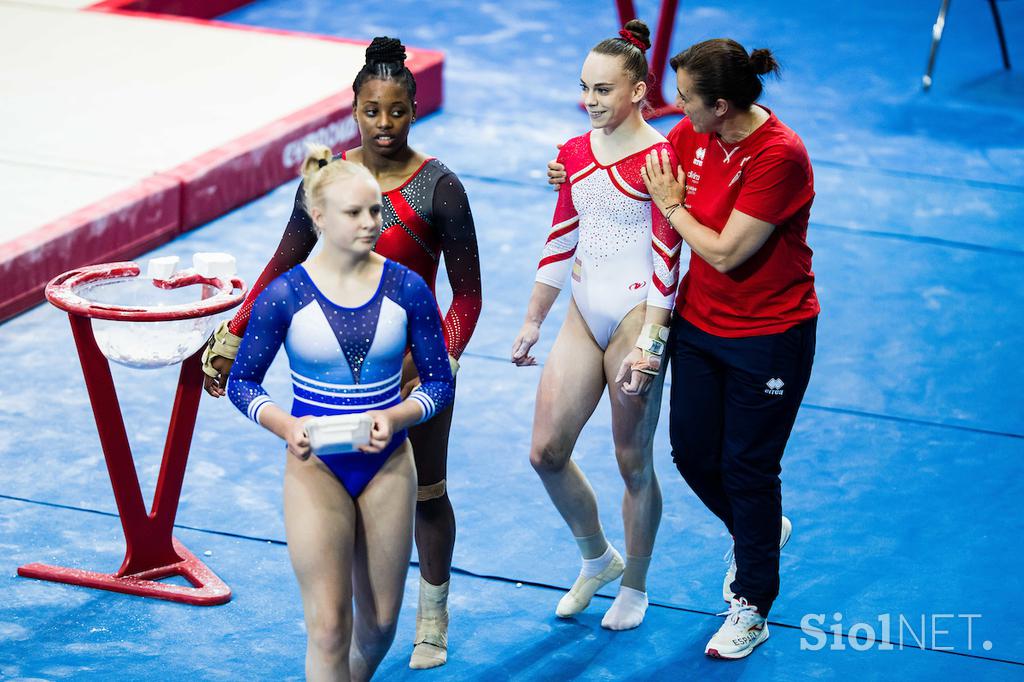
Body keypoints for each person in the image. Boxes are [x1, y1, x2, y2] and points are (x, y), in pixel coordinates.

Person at [204, 37, 482, 669]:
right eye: (371, 112)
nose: (385, 125)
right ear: (353, 108)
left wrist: (437, 364)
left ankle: (431, 617)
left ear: (415, 108)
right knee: (329, 622)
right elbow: (284, 264)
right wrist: (235, 331)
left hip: (416, 367)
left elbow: (466, 295)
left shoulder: (440, 187)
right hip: (336, 390)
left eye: (398, 112)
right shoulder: (329, 184)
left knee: (430, 494)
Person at [551, 37, 817, 658]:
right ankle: (759, 533)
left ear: (721, 105)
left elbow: (724, 251)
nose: (677, 108)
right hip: (701, 326)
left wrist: (672, 204)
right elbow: (624, 173)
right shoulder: (691, 137)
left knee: (748, 468)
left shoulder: (780, 156)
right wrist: (572, 170)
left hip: (770, 337)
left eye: (688, 99)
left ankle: (751, 604)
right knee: (695, 455)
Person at [227, 147, 454, 680]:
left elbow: (440, 384)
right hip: (315, 468)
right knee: (328, 628)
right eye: (355, 213)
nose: (372, 223)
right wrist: (285, 424)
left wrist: (398, 417)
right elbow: (242, 382)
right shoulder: (284, 295)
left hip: (388, 467)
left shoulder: (408, 289)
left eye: (377, 210)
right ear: (320, 217)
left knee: (378, 627)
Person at [511, 20, 682, 632]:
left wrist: (652, 345)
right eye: (585, 87)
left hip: (638, 314)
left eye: (604, 90)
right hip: (584, 311)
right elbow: (560, 237)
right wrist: (533, 319)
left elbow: (668, 258)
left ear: (638, 90)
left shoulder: (660, 159)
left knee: (632, 460)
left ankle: (635, 582)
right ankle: (597, 557)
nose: (591, 100)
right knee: (545, 452)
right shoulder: (573, 152)